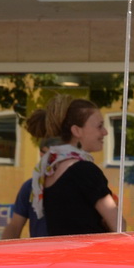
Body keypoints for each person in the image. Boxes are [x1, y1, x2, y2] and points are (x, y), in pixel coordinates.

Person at [23, 98, 118, 237]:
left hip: (64, 256)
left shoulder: (49, 172)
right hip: (89, 256)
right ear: (77, 131)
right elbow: (118, 226)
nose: (105, 132)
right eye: (99, 126)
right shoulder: (84, 171)